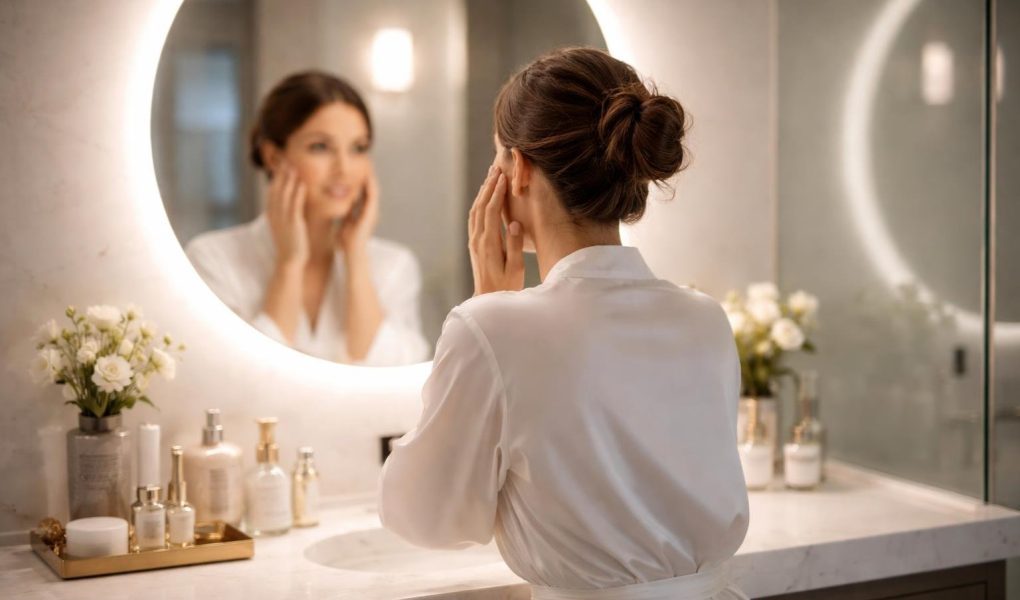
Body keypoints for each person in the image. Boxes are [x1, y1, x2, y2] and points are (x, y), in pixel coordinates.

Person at [379, 48, 749, 599]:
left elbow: (426, 517)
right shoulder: (706, 319)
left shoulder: (496, 330)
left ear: (518, 169)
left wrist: (487, 304)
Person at [186, 71, 429, 366]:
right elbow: (238, 378)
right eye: (321, 147)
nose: (343, 168)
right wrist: (289, 263)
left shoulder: (393, 265)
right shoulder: (214, 258)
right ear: (274, 157)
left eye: (358, 148)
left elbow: (393, 375)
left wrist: (356, 259)